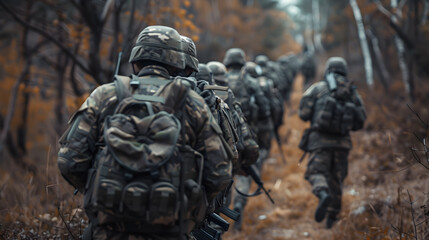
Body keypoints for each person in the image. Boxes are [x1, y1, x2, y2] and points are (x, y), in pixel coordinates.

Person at [57, 25, 232, 239]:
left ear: (135, 59)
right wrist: (188, 209)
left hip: (107, 231)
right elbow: (219, 173)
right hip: (169, 231)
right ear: (177, 62)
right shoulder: (192, 103)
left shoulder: (104, 95)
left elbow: (69, 161)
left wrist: (100, 191)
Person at [298, 57, 366, 229]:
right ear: (344, 71)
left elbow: (303, 113)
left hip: (319, 142)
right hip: (342, 144)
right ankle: (331, 218)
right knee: (337, 179)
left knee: (315, 172)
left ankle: (322, 193)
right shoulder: (352, 91)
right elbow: (361, 121)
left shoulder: (318, 88)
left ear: (328, 70)